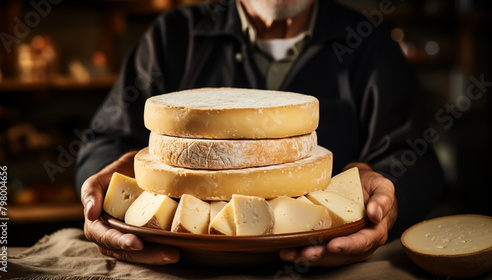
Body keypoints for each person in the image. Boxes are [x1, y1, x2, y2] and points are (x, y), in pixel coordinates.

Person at [77, 0, 444, 266]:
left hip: (322, 268)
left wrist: (386, 195)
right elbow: (104, 141)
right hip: (184, 265)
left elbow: (417, 159)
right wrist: (112, 179)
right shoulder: (171, 38)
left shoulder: (368, 43)